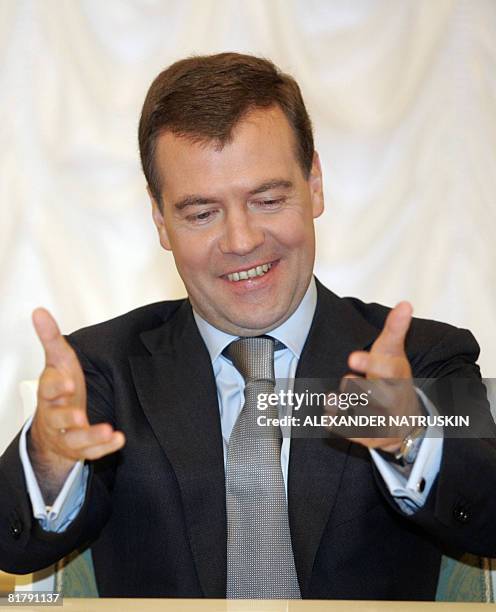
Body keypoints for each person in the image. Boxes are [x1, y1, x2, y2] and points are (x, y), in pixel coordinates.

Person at [0, 52, 495, 600]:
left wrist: (412, 436)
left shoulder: (422, 356)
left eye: (267, 199)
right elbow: (14, 545)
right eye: (201, 213)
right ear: (161, 221)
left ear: (315, 184)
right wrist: (46, 461)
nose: (241, 241)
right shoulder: (104, 368)